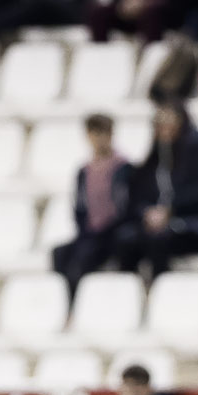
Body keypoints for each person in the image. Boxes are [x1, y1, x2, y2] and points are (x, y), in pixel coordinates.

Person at [114, 99, 198, 280]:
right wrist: (147, 213)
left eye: (170, 122)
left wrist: (171, 210)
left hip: (197, 223)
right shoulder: (156, 158)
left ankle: (161, 291)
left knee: (159, 240)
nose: (165, 129)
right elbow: (139, 194)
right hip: (159, 227)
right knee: (125, 239)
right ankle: (131, 296)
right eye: (160, 124)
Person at [51, 113, 135, 299]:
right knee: (60, 253)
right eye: (94, 133)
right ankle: (63, 301)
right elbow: (80, 206)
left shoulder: (123, 168)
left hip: (113, 233)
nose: (99, 139)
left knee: (84, 258)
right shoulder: (84, 170)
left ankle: (77, 304)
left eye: (103, 133)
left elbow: (126, 206)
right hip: (90, 233)